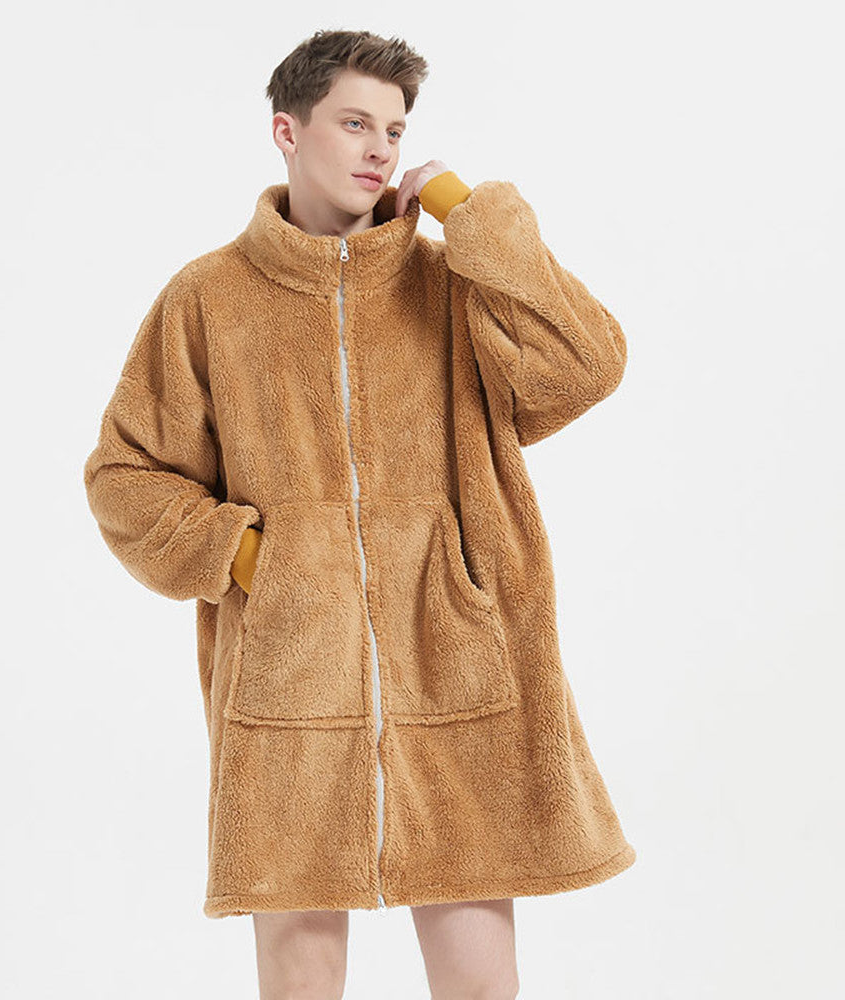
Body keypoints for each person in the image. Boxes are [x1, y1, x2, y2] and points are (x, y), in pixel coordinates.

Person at [84, 27, 634, 1000]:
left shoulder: (453, 284)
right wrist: (249, 557)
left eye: (394, 129)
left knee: (478, 970)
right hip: (288, 683)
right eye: (354, 123)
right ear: (287, 132)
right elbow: (127, 474)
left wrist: (472, 214)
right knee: (299, 967)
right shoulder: (209, 298)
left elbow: (583, 363)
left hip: (457, 664)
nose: (380, 147)